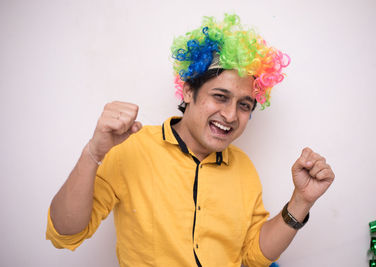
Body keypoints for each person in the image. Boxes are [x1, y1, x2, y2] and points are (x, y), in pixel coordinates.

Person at [46, 14, 335, 267]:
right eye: (220, 97)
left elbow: (253, 256)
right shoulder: (131, 149)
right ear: (187, 92)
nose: (231, 115)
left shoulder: (244, 169)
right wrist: (93, 152)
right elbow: (66, 233)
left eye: (244, 105)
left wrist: (301, 201)